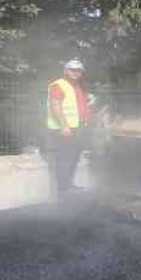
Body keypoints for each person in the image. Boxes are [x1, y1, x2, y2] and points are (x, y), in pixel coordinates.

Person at [46, 59, 90, 196]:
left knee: (74, 157)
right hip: (65, 128)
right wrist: (64, 126)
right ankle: (62, 189)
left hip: (77, 127)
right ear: (65, 71)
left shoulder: (78, 86)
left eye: (79, 70)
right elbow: (55, 105)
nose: (76, 72)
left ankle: (69, 185)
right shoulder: (59, 85)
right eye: (72, 70)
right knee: (65, 158)